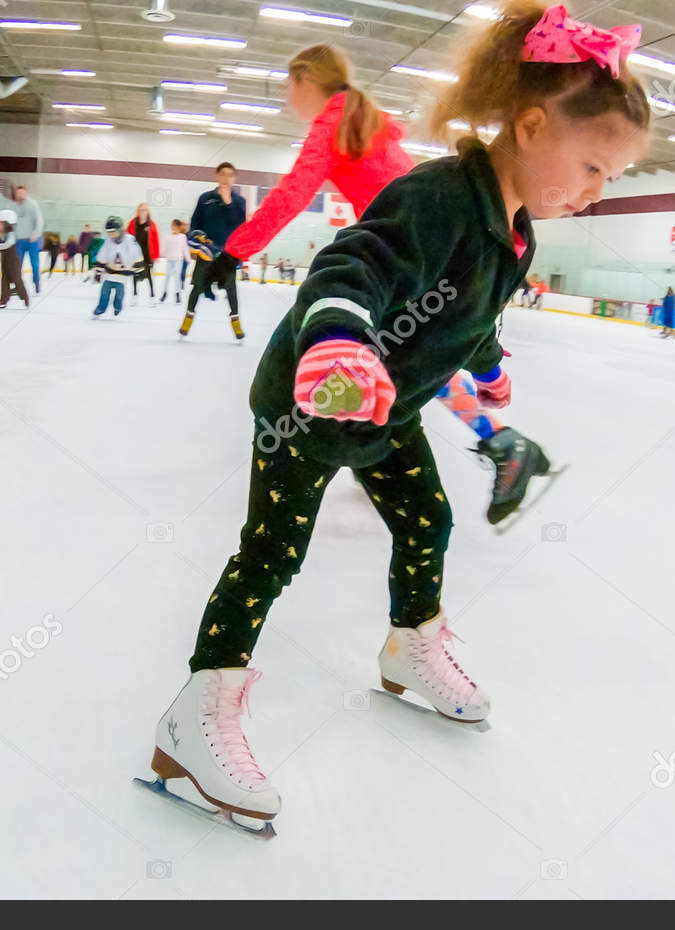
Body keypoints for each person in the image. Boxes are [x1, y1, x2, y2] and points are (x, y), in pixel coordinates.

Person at [139, 0, 649, 834]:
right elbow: (353, 265)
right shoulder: (439, 195)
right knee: (272, 554)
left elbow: (475, 312)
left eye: (611, 178)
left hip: (390, 408)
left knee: (427, 520)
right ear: (530, 127)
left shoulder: (517, 232)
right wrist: (340, 341)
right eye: (594, 166)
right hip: (313, 399)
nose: (597, 193)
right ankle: (194, 717)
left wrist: (488, 371)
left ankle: (410, 647)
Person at [205, 41, 554, 524]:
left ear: (307, 79)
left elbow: (292, 194)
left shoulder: (336, 118)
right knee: (418, 357)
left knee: (386, 354)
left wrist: (233, 252)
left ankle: (493, 441)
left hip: (402, 264)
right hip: (434, 254)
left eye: (289, 85)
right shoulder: (365, 117)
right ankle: (490, 440)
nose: (288, 96)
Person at [185, 162, 248, 337]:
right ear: (217, 176)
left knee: (231, 290)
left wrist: (228, 203)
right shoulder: (205, 198)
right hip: (205, 252)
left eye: (230, 175)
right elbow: (195, 223)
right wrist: (194, 241)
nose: (226, 178)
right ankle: (187, 319)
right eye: (223, 174)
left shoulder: (239, 202)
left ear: (234, 178)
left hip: (227, 256)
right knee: (197, 287)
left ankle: (235, 322)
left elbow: (241, 227)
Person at [92, 215, 140, 319]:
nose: (111, 235)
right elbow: (102, 255)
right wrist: (98, 271)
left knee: (119, 296)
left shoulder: (129, 240)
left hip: (121, 276)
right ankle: (101, 308)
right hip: (109, 274)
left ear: (120, 230)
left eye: (113, 232)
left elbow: (136, 254)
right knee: (104, 293)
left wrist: (137, 269)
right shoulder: (108, 241)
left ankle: (118, 307)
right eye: (108, 232)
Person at [0, 207, 28, 309]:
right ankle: (3, 300)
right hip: (4, 260)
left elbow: (7, 245)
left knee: (16, 279)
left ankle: (24, 296)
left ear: (7, 223)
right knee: (4, 280)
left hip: (13, 261)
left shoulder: (11, 234)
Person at [10, 184, 44, 293]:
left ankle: (36, 282)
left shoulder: (32, 205)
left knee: (35, 264)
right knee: (17, 265)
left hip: (32, 240)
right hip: (19, 241)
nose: (20, 195)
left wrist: (36, 233)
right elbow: (11, 223)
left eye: (22, 193)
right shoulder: (13, 206)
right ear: (16, 194)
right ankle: (17, 286)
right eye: (18, 193)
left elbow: (39, 221)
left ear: (25, 193)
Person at [127, 202, 161, 305]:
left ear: (148, 212)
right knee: (135, 275)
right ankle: (135, 296)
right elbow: (127, 237)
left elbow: (156, 240)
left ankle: (152, 296)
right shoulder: (133, 222)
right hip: (136, 254)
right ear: (138, 211)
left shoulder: (151, 224)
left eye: (145, 210)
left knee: (149, 276)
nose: (143, 212)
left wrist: (156, 256)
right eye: (141, 210)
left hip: (148, 254)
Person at [161, 218, 188, 303]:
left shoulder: (182, 237)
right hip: (169, 259)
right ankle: (164, 293)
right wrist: (161, 254)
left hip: (178, 260)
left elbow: (185, 248)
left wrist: (188, 258)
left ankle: (178, 295)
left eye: (174, 225)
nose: (172, 227)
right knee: (167, 276)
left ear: (177, 226)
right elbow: (165, 247)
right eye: (172, 225)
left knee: (177, 277)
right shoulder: (168, 236)